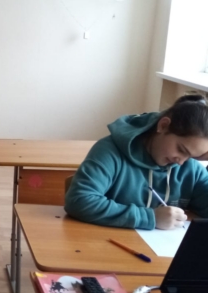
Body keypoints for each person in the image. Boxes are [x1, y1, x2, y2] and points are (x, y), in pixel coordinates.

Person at [65, 95, 208, 230]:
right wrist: (150, 217)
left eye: (191, 156)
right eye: (181, 149)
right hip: (106, 242)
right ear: (163, 126)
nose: (181, 162)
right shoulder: (110, 151)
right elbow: (79, 201)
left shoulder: (192, 168)